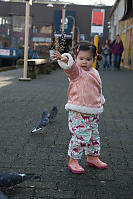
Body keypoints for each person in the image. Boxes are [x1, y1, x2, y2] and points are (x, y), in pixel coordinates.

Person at [53, 42, 107, 174]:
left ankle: (93, 157)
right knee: (80, 137)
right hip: (78, 111)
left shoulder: (94, 72)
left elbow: (97, 89)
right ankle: (74, 160)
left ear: (94, 59)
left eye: (88, 59)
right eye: (81, 59)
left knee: (94, 136)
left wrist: (100, 101)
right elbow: (71, 69)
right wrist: (67, 60)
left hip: (93, 111)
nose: (84, 62)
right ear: (76, 58)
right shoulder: (77, 73)